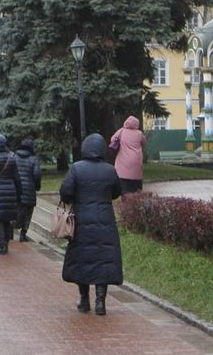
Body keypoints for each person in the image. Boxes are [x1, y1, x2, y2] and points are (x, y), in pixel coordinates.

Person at [60, 133, 123, 316]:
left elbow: (66, 192)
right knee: (103, 260)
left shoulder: (76, 168)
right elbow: (116, 192)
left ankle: (84, 299)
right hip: (105, 220)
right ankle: (101, 301)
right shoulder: (110, 170)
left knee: (83, 259)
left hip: (81, 220)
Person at [13, 138, 42, 242]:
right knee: (28, 213)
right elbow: (37, 174)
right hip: (29, 190)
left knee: (16, 211)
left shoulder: (14, 157)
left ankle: (11, 231)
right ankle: (23, 234)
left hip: (16, 191)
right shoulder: (33, 159)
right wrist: (37, 186)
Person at [111, 115, 146, 194]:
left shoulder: (121, 131)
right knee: (136, 190)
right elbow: (144, 143)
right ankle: (135, 203)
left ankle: (125, 203)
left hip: (123, 166)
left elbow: (112, 140)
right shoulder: (139, 134)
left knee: (124, 189)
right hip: (136, 165)